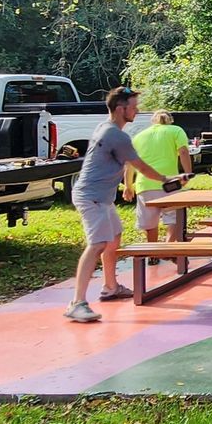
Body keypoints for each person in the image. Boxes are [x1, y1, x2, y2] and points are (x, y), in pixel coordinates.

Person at [67, 87, 170, 323]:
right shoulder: (116, 135)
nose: (137, 110)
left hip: (101, 197)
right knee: (97, 244)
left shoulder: (108, 129)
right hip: (91, 197)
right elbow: (140, 166)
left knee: (114, 238)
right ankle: (77, 303)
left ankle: (111, 287)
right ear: (121, 108)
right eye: (133, 107)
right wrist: (166, 179)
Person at [131, 109, 193, 242]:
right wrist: (188, 173)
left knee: (149, 223)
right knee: (174, 218)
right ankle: (168, 247)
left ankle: (153, 253)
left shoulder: (139, 136)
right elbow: (183, 152)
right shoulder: (176, 130)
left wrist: (128, 186)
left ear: (153, 121)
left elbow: (129, 162)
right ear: (170, 120)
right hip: (170, 183)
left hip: (145, 184)